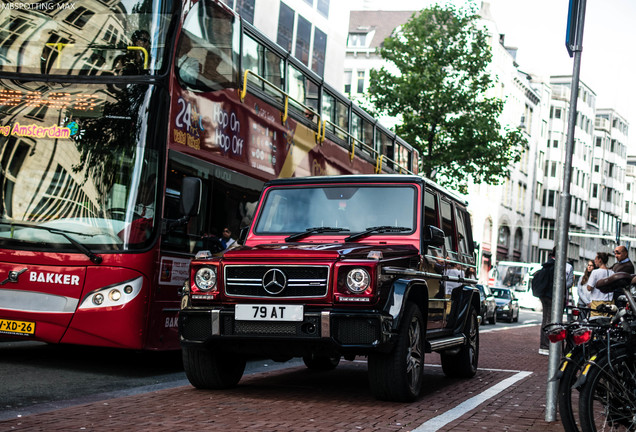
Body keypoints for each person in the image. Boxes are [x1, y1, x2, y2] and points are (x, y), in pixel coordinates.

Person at [538, 247, 573, 355]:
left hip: (544, 295)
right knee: (551, 320)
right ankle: (547, 345)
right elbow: (564, 283)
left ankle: (544, 345)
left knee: (545, 319)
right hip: (552, 296)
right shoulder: (559, 266)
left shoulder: (547, 263)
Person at [587, 252, 614, 318]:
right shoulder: (612, 272)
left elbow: (589, 288)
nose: (594, 261)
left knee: (595, 322)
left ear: (600, 260)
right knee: (608, 323)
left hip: (597, 302)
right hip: (610, 303)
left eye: (595, 259)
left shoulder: (595, 272)